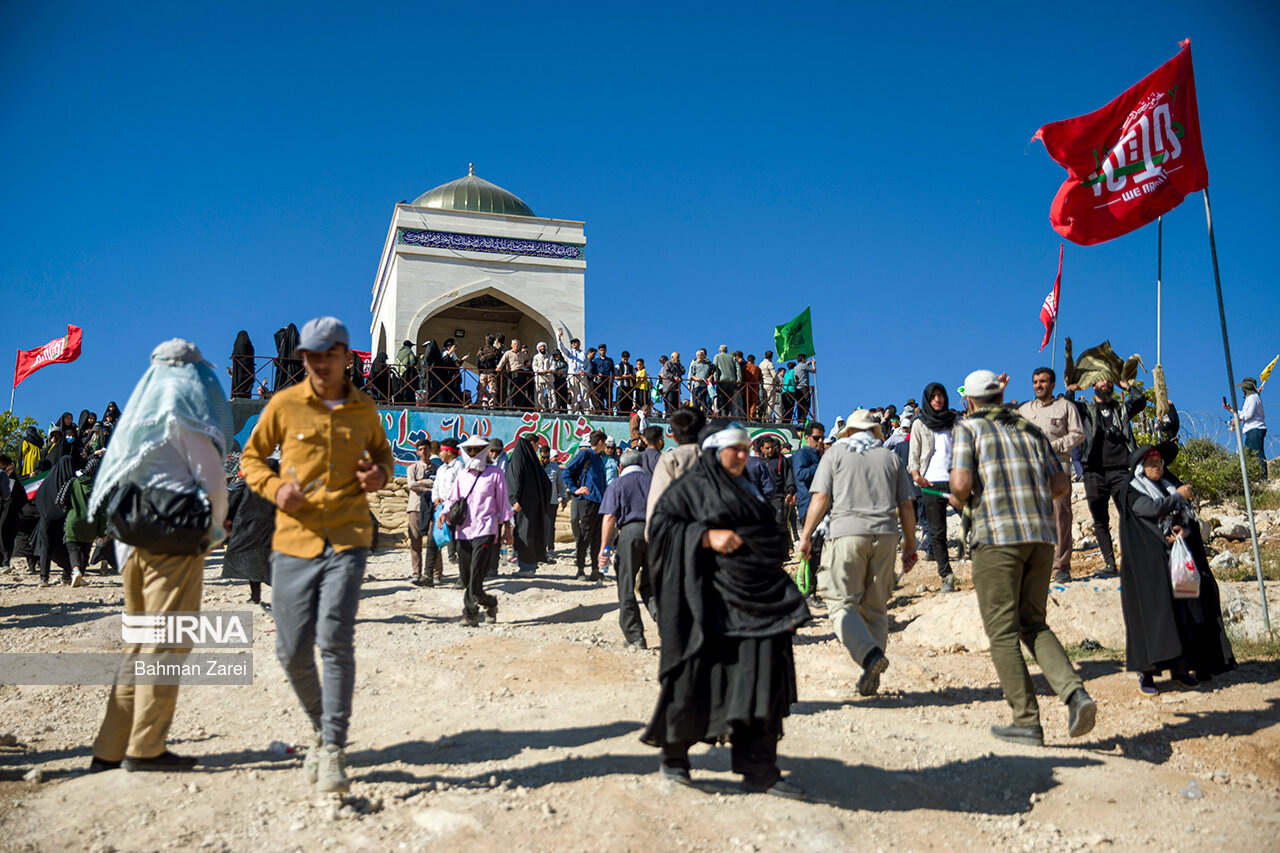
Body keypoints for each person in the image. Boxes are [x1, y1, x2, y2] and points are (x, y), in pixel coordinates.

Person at [241, 317, 394, 793]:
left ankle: (332, 746)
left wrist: (379, 477)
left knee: (334, 640)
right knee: (290, 651)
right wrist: (273, 486)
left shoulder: (365, 410)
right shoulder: (284, 405)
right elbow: (250, 458)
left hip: (347, 539)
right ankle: (318, 723)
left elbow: (384, 459)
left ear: (346, 355)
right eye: (310, 355)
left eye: (328, 354)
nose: (318, 363)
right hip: (293, 542)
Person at [88, 338, 232, 774]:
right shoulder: (185, 418)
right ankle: (146, 748)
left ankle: (109, 749)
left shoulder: (136, 424)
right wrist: (214, 531)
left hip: (130, 545)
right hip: (172, 544)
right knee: (167, 644)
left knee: (139, 645)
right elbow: (214, 484)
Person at [642, 424, 811, 798]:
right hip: (709, 601)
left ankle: (760, 769)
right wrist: (704, 536)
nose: (744, 455)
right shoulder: (690, 488)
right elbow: (663, 527)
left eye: (746, 448)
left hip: (757, 598)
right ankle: (675, 756)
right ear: (714, 451)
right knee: (694, 676)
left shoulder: (748, 486)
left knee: (762, 681)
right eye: (735, 449)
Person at [949, 369, 1096, 747]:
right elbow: (1061, 484)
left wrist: (957, 497)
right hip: (1042, 538)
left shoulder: (969, 428)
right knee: (1034, 622)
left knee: (1002, 631)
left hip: (997, 537)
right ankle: (1075, 694)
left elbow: (962, 485)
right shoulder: (1031, 429)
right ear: (1000, 396)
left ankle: (1027, 720)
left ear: (971, 401)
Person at [799, 411, 916, 695]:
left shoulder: (835, 454)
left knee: (841, 604)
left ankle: (868, 656)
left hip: (846, 533)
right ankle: (871, 666)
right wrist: (910, 545)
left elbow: (821, 498)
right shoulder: (891, 458)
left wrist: (805, 536)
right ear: (875, 432)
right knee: (876, 607)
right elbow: (907, 505)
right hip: (886, 535)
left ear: (849, 432)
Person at [1119, 446, 1236, 693]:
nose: (1158, 466)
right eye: (1151, 463)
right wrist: (1178, 498)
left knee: (1184, 616)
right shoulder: (1132, 491)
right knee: (1153, 620)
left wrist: (1184, 531)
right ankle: (1147, 676)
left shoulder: (1168, 488)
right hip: (1147, 569)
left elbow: (1186, 521)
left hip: (1176, 563)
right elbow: (1150, 509)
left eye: (1160, 462)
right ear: (1140, 467)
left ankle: (1182, 670)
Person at [1074, 376, 1147, 579]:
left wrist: (1128, 386)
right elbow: (1068, 407)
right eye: (1100, 381)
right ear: (1093, 386)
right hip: (1094, 471)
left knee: (1129, 514)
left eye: (1108, 381)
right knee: (1100, 520)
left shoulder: (1121, 409)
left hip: (1121, 468)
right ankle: (1109, 564)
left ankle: (1134, 561)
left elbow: (1140, 400)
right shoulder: (1085, 409)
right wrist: (1072, 389)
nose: (1105, 383)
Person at [1018, 367, 1085, 584]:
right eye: (1035, 381)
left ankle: (1061, 567)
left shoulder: (1066, 407)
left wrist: (1053, 445)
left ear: (1053, 384)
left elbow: (1078, 434)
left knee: (1061, 518)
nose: (1038, 385)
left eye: (1043, 381)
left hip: (1058, 470)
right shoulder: (1024, 410)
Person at [439, 434, 513, 625]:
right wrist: (444, 513)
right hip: (463, 530)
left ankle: (470, 613)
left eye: (476, 449)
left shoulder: (496, 473)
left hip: (486, 529)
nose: (472, 453)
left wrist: (507, 528)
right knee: (466, 577)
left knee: (476, 572)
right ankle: (490, 602)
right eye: (469, 449)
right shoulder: (462, 475)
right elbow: (453, 498)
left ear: (484, 451)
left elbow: (503, 502)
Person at [596, 449, 653, 647]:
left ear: (620, 467)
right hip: (655, 534)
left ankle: (635, 636)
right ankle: (665, 623)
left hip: (630, 534)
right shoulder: (653, 481)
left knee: (627, 585)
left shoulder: (617, 484)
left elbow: (610, 517)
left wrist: (604, 548)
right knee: (651, 584)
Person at [909, 382, 959, 592]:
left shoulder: (954, 421)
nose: (938, 399)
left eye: (941, 396)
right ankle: (946, 576)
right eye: (934, 396)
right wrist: (916, 476)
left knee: (975, 520)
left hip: (955, 481)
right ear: (928, 400)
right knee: (938, 533)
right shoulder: (919, 424)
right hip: (930, 483)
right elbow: (914, 455)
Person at [223, 453, 277, 610]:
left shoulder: (247, 481)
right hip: (271, 529)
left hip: (248, 527)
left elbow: (231, 499)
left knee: (251, 563)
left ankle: (255, 597)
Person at [564, 430, 608, 581]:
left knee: (597, 537)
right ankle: (580, 569)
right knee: (584, 535)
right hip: (588, 501)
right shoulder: (585, 454)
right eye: (605, 442)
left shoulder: (599, 458)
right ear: (601, 442)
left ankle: (596, 570)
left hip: (599, 502)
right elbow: (566, 472)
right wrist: (576, 490)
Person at [506, 435, 552, 575]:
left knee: (523, 534)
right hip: (536, 506)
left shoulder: (517, 460)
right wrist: (543, 502)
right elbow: (547, 484)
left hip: (523, 506)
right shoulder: (534, 463)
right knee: (533, 533)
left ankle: (526, 567)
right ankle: (531, 565)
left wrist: (513, 499)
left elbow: (513, 478)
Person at [63, 452, 106, 588]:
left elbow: (64, 500)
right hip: (91, 524)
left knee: (73, 548)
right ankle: (80, 575)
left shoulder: (74, 482)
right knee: (85, 550)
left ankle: (75, 571)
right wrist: (102, 532)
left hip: (73, 521)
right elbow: (102, 512)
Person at [792, 421, 825, 595]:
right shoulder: (802, 454)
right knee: (812, 551)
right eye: (816, 437)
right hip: (809, 508)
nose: (820, 440)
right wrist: (820, 466)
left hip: (824, 509)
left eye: (822, 437)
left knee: (822, 551)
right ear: (806, 438)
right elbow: (800, 474)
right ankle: (808, 592)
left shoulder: (820, 456)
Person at [31, 456, 74, 587]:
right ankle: (67, 576)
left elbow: (38, 498)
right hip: (61, 521)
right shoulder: (68, 482)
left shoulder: (46, 482)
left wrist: (45, 512)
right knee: (64, 548)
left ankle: (44, 578)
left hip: (45, 519)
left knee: (45, 548)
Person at [406, 440, 438, 586]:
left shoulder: (438, 468)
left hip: (433, 508)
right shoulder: (412, 468)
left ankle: (436, 573)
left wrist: (421, 483)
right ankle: (416, 573)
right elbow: (411, 484)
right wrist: (428, 486)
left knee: (434, 540)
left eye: (425, 449)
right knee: (415, 541)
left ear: (430, 450)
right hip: (416, 507)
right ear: (417, 452)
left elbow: (438, 485)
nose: (423, 452)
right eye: (420, 449)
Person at [1230, 377, 1267, 477]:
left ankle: (1263, 477)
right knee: (1248, 454)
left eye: (1244, 388)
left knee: (1257, 452)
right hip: (1251, 430)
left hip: (1255, 428)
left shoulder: (1253, 397)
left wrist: (1237, 419)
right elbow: (1243, 413)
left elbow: (1248, 414)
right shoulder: (1250, 398)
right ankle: (1255, 476)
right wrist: (1230, 410)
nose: (1242, 390)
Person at [539, 443, 568, 562]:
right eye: (543, 457)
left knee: (550, 525)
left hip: (552, 501)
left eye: (547, 457)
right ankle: (540, 548)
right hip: (539, 502)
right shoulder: (536, 466)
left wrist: (564, 498)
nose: (545, 460)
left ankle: (550, 548)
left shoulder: (555, 467)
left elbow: (560, 484)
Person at [557, 331, 588, 412]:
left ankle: (586, 409)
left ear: (579, 343)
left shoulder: (583, 354)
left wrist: (585, 371)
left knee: (584, 392)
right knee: (574, 393)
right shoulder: (570, 352)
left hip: (581, 375)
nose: (573, 344)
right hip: (572, 375)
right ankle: (575, 410)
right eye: (572, 343)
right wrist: (559, 338)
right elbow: (562, 348)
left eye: (575, 342)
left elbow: (588, 365)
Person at [497, 338, 532, 409]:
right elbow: (502, 361)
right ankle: (509, 407)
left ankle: (520, 407)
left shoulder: (522, 354)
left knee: (522, 391)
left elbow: (530, 359)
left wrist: (527, 364)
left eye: (518, 344)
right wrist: (499, 367)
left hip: (522, 372)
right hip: (513, 372)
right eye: (515, 344)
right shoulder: (508, 353)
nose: (517, 345)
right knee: (512, 390)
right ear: (511, 345)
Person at [713, 345, 740, 417]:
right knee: (729, 399)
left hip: (722, 381)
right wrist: (738, 379)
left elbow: (715, 369)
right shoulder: (732, 358)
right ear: (726, 351)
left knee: (721, 398)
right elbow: (738, 368)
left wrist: (716, 380)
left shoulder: (717, 357)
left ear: (720, 350)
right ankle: (728, 414)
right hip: (731, 380)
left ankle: (723, 414)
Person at [231, 330, 255, 398]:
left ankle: (237, 393)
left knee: (239, 380)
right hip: (248, 366)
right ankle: (245, 393)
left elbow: (234, 353)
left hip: (238, 367)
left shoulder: (237, 344)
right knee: (246, 382)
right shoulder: (248, 344)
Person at [689, 349, 714, 414]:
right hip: (698, 385)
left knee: (708, 401)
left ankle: (708, 415)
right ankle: (696, 415)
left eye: (701, 355)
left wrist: (710, 377)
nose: (699, 356)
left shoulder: (708, 364)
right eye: (698, 355)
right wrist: (696, 378)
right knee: (697, 402)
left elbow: (712, 373)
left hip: (706, 385)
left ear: (704, 355)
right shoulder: (694, 364)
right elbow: (691, 375)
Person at [532, 342, 556, 411]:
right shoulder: (536, 357)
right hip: (539, 377)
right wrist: (541, 370)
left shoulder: (550, 356)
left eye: (544, 346)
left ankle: (553, 408)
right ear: (538, 348)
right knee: (539, 394)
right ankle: (541, 409)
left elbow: (553, 365)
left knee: (551, 394)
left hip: (549, 377)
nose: (542, 348)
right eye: (541, 347)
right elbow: (534, 367)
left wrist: (550, 370)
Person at [792, 355, 815, 423]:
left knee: (800, 404)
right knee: (806, 403)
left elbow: (803, 368)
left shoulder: (795, 368)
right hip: (804, 387)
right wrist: (813, 364)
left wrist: (807, 364)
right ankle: (803, 418)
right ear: (803, 359)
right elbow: (814, 370)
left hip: (798, 388)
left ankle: (800, 419)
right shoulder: (804, 366)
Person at [742, 355, 762, 421]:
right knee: (753, 404)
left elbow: (742, 378)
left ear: (747, 360)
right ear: (753, 360)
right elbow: (759, 378)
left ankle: (746, 417)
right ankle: (751, 418)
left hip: (746, 387)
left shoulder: (744, 368)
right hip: (755, 387)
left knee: (746, 403)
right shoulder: (757, 368)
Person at [759, 351, 778, 421]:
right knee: (771, 402)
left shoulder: (761, 364)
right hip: (770, 384)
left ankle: (763, 415)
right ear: (771, 357)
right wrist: (778, 381)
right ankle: (767, 417)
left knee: (765, 401)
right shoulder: (770, 364)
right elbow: (774, 375)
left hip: (763, 384)